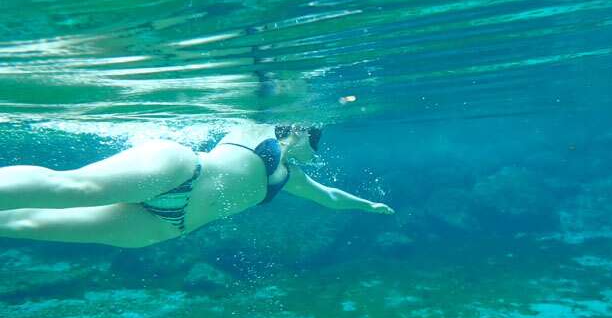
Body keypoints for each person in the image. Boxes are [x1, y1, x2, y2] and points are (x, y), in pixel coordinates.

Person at [0, 122, 394, 248]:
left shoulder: (292, 178)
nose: (318, 152)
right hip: (179, 171)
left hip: (165, 225)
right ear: (301, 133)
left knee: (29, 225)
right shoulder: (257, 129)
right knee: (74, 189)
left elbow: (329, 197)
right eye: (317, 141)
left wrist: (368, 206)